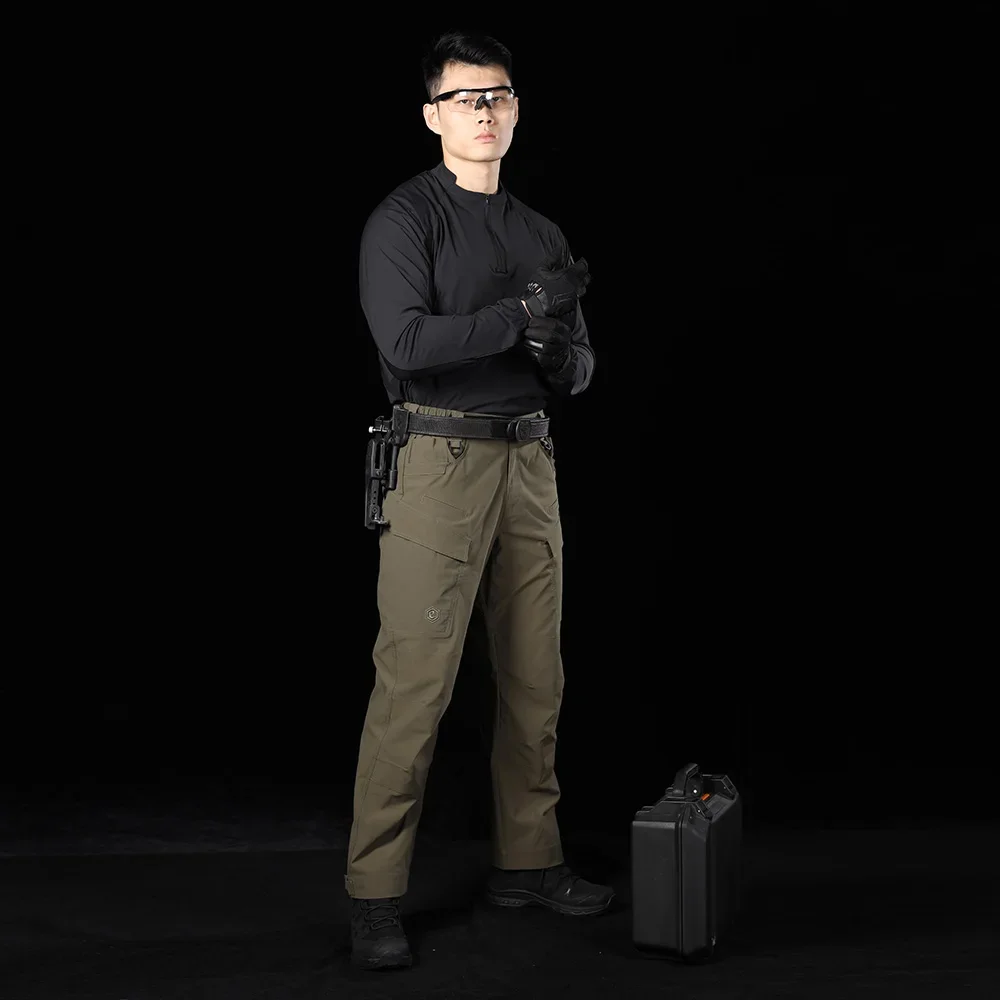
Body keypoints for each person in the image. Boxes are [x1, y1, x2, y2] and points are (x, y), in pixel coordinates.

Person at [347, 29, 612, 971]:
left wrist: (555, 348)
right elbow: (408, 343)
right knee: (415, 683)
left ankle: (527, 863)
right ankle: (374, 893)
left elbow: (580, 370)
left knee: (536, 678)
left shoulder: (540, 233)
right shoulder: (405, 220)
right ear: (433, 116)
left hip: (529, 462)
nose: (484, 111)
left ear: (516, 107)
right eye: (465, 98)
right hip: (439, 461)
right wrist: (519, 316)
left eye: (497, 95)